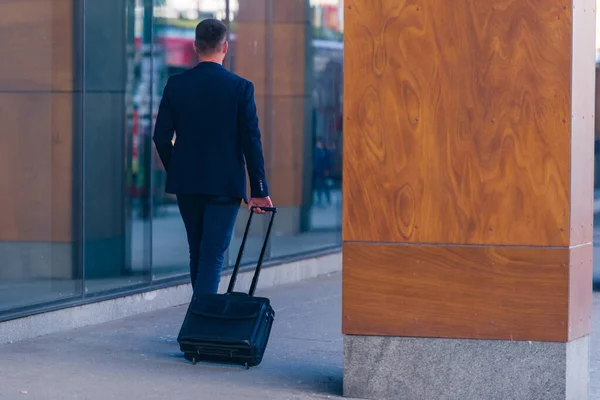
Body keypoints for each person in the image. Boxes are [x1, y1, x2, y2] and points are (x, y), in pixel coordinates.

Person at [152, 18, 273, 294]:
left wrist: (179, 170)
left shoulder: (176, 85)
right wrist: (259, 189)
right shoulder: (241, 88)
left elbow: (161, 137)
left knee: (197, 251)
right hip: (225, 186)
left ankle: (200, 320)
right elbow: (251, 141)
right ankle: (201, 325)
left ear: (196, 47)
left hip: (188, 185)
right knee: (213, 256)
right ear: (225, 47)